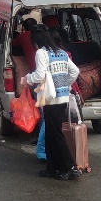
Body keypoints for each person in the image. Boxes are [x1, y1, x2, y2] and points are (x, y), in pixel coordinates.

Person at [27, 28, 82, 181]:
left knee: (55, 134)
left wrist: (28, 78)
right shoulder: (61, 53)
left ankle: (69, 168)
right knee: (51, 134)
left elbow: (39, 75)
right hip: (63, 98)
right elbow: (75, 71)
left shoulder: (41, 53)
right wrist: (65, 84)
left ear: (36, 41)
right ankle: (52, 168)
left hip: (51, 99)